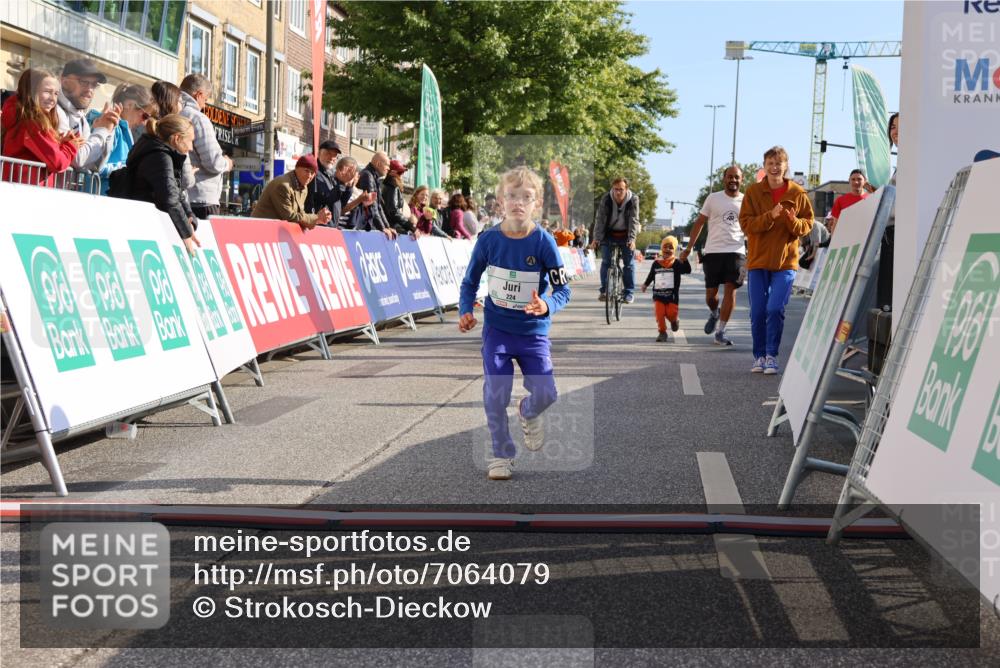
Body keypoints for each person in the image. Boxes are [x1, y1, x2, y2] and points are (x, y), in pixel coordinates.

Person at [458, 166, 571, 481]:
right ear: (500, 201)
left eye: (526, 197)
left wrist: (546, 304)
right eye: (511, 196)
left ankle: (529, 410)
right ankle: (501, 454)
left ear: (537, 203)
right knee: (496, 393)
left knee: (547, 392)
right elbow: (469, 282)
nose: (518, 202)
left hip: (533, 333)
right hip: (497, 331)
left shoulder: (544, 242)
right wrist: (466, 310)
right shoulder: (488, 240)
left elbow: (564, 290)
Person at [739, 146, 813, 375]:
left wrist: (792, 221)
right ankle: (759, 356)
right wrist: (769, 217)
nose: (774, 167)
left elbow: (807, 225)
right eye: (770, 163)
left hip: (785, 263)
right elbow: (746, 224)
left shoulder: (797, 193)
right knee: (758, 312)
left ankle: (771, 355)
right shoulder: (753, 192)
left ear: (786, 166)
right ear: (764, 166)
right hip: (758, 261)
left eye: (778, 163)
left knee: (774, 309)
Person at [681, 165, 746, 346]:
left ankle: (721, 331)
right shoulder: (713, 198)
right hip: (713, 251)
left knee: (731, 290)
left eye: (736, 177)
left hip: (736, 251)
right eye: (730, 177)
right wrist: (689, 248)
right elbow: (699, 222)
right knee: (711, 295)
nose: (733, 180)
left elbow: (752, 226)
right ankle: (714, 312)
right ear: (724, 179)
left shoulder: (747, 201)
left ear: (741, 180)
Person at [121, 114, 200, 255]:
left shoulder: (162, 153)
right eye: (190, 141)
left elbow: (177, 192)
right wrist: (186, 234)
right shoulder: (160, 156)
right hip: (142, 228)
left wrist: (190, 218)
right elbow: (170, 198)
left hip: (148, 225)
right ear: (177, 138)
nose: (191, 148)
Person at [1, 68, 81, 186]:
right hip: (28, 191)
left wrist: (59, 143)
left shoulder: (22, 118)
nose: (53, 99)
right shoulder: (33, 123)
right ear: (31, 92)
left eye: (56, 93)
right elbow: (58, 163)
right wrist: (70, 146)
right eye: (47, 91)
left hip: (18, 188)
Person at [179, 73, 233, 219]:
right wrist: (227, 163)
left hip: (181, 197)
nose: (204, 105)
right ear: (199, 95)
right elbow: (213, 162)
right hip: (202, 198)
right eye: (206, 99)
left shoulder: (173, 113)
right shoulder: (198, 118)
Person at [87, 83, 155, 195]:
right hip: (97, 195)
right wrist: (131, 170)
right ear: (129, 104)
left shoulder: (123, 130)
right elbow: (94, 164)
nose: (144, 122)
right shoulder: (111, 126)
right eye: (145, 116)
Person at [57, 58, 119, 173]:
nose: (90, 89)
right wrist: (101, 131)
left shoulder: (81, 119)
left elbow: (94, 166)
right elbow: (78, 159)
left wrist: (108, 131)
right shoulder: (54, 110)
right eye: (84, 82)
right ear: (64, 81)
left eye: (94, 85)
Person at [251, 154, 332, 231]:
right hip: (259, 230)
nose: (309, 176)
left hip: (274, 231)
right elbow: (289, 217)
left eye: (312, 173)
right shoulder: (283, 185)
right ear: (296, 168)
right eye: (306, 171)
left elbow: (300, 214)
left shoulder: (303, 187)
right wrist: (316, 218)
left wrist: (317, 218)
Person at [592, 177, 640, 304]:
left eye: (621, 189)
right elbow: (600, 219)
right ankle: (604, 291)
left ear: (626, 189)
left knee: (628, 264)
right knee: (606, 262)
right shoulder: (606, 198)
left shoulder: (633, 200)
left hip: (626, 235)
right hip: (609, 234)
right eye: (615, 189)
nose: (618, 192)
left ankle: (628, 293)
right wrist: (596, 239)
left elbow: (634, 220)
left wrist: (632, 239)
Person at [641, 236, 691, 342]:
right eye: (665, 247)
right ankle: (662, 332)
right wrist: (645, 284)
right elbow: (651, 275)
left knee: (671, 313)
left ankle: (674, 321)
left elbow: (688, 270)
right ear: (662, 248)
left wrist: (685, 259)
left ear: (674, 250)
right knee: (659, 314)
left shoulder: (677, 263)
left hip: (672, 296)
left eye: (671, 247)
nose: (668, 249)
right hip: (658, 295)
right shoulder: (656, 263)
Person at [306, 143, 365, 227]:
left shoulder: (330, 175)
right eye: (328, 153)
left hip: (330, 226)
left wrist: (348, 186)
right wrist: (342, 184)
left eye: (334, 155)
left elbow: (340, 204)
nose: (331, 158)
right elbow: (326, 199)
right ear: (319, 153)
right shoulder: (315, 174)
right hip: (319, 226)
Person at [356, 150, 396, 239]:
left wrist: (387, 226)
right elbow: (372, 206)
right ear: (378, 164)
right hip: (362, 227)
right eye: (387, 165)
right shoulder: (368, 176)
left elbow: (378, 206)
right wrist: (382, 228)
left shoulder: (373, 176)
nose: (388, 169)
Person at [828, 169, 869, 235]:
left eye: (859, 179)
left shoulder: (871, 199)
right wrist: (833, 240)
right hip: (846, 238)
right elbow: (835, 224)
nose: (856, 182)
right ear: (849, 181)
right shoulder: (840, 200)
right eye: (853, 179)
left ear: (865, 181)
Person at [382, 159, 417, 236]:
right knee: (410, 235)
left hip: (389, 225)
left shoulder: (389, 185)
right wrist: (410, 226)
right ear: (392, 173)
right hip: (391, 226)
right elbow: (393, 211)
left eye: (402, 172)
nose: (401, 175)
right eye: (400, 172)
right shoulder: (392, 186)